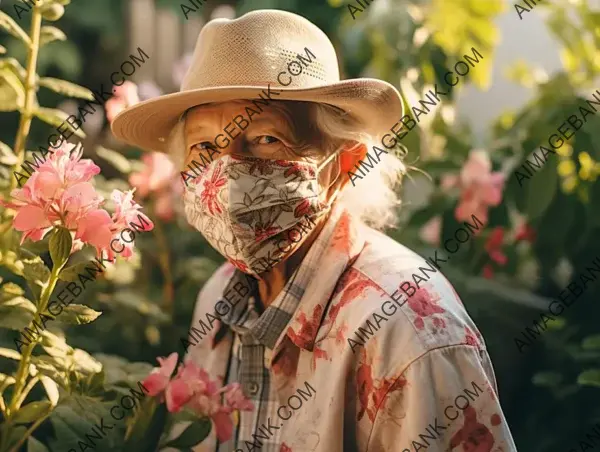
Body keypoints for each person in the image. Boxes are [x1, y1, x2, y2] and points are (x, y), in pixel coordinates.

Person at [112, 9, 517, 452]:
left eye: (266, 139)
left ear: (344, 164)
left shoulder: (405, 331)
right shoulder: (221, 296)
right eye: (204, 147)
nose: (226, 174)